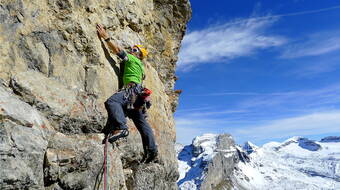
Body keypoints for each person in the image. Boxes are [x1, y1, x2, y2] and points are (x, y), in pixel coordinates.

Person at [96, 24, 158, 163]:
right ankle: (152, 150)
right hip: (138, 97)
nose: (131, 50)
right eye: (132, 49)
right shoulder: (141, 69)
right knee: (142, 123)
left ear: (139, 55)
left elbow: (118, 50)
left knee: (112, 102)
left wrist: (105, 37)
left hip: (131, 91)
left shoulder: (133, 59)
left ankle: (121, 127)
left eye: (135, 49)